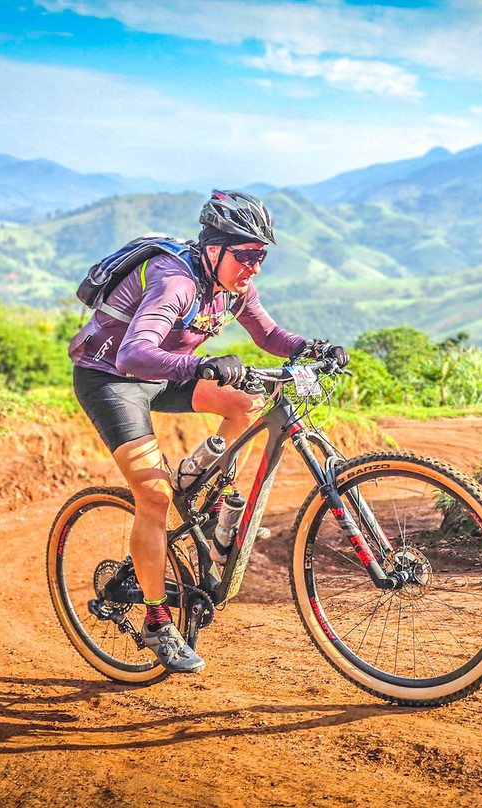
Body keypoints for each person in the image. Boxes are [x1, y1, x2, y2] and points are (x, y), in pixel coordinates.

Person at [69, 190, 349, 673]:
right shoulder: (175, 281)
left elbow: (269, 336)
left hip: (163, 374)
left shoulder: (232, 286)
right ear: (214, 248)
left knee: (247, 400)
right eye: (246, 255)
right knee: (154, 500)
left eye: (260, 256)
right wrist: (202, 364)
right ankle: (157, 623)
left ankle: (211, 490)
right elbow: (132, 355)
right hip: (111, 378)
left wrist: (312, 348)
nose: (254, 267)